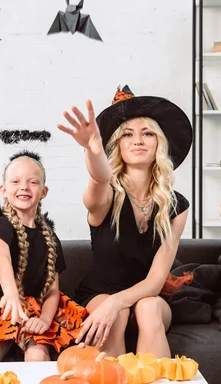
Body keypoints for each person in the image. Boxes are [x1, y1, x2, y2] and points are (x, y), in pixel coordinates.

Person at [57, 85, 193, 358]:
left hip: (148, 296)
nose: (137, 140)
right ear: (118, 145)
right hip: (100, 294)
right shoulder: (107, 195)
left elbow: (155, 282)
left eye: (147, 133)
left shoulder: (176, 205)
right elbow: (99, 178)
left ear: (159, 143)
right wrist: (92, 151)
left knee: (148, 307)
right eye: (127, 134)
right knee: (116, 314)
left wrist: (118, 302)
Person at [0, 151, 86, 362]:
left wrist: (44, 319)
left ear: (43, 191)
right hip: (3, 306)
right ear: (4, 190)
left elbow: (53, 290)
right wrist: (12, 295)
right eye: (15, 181)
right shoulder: (2, 227)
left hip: (36, 311)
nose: (24, 187)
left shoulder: (50, 237)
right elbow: (2, 259)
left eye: (32, 182)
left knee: (37, 355)